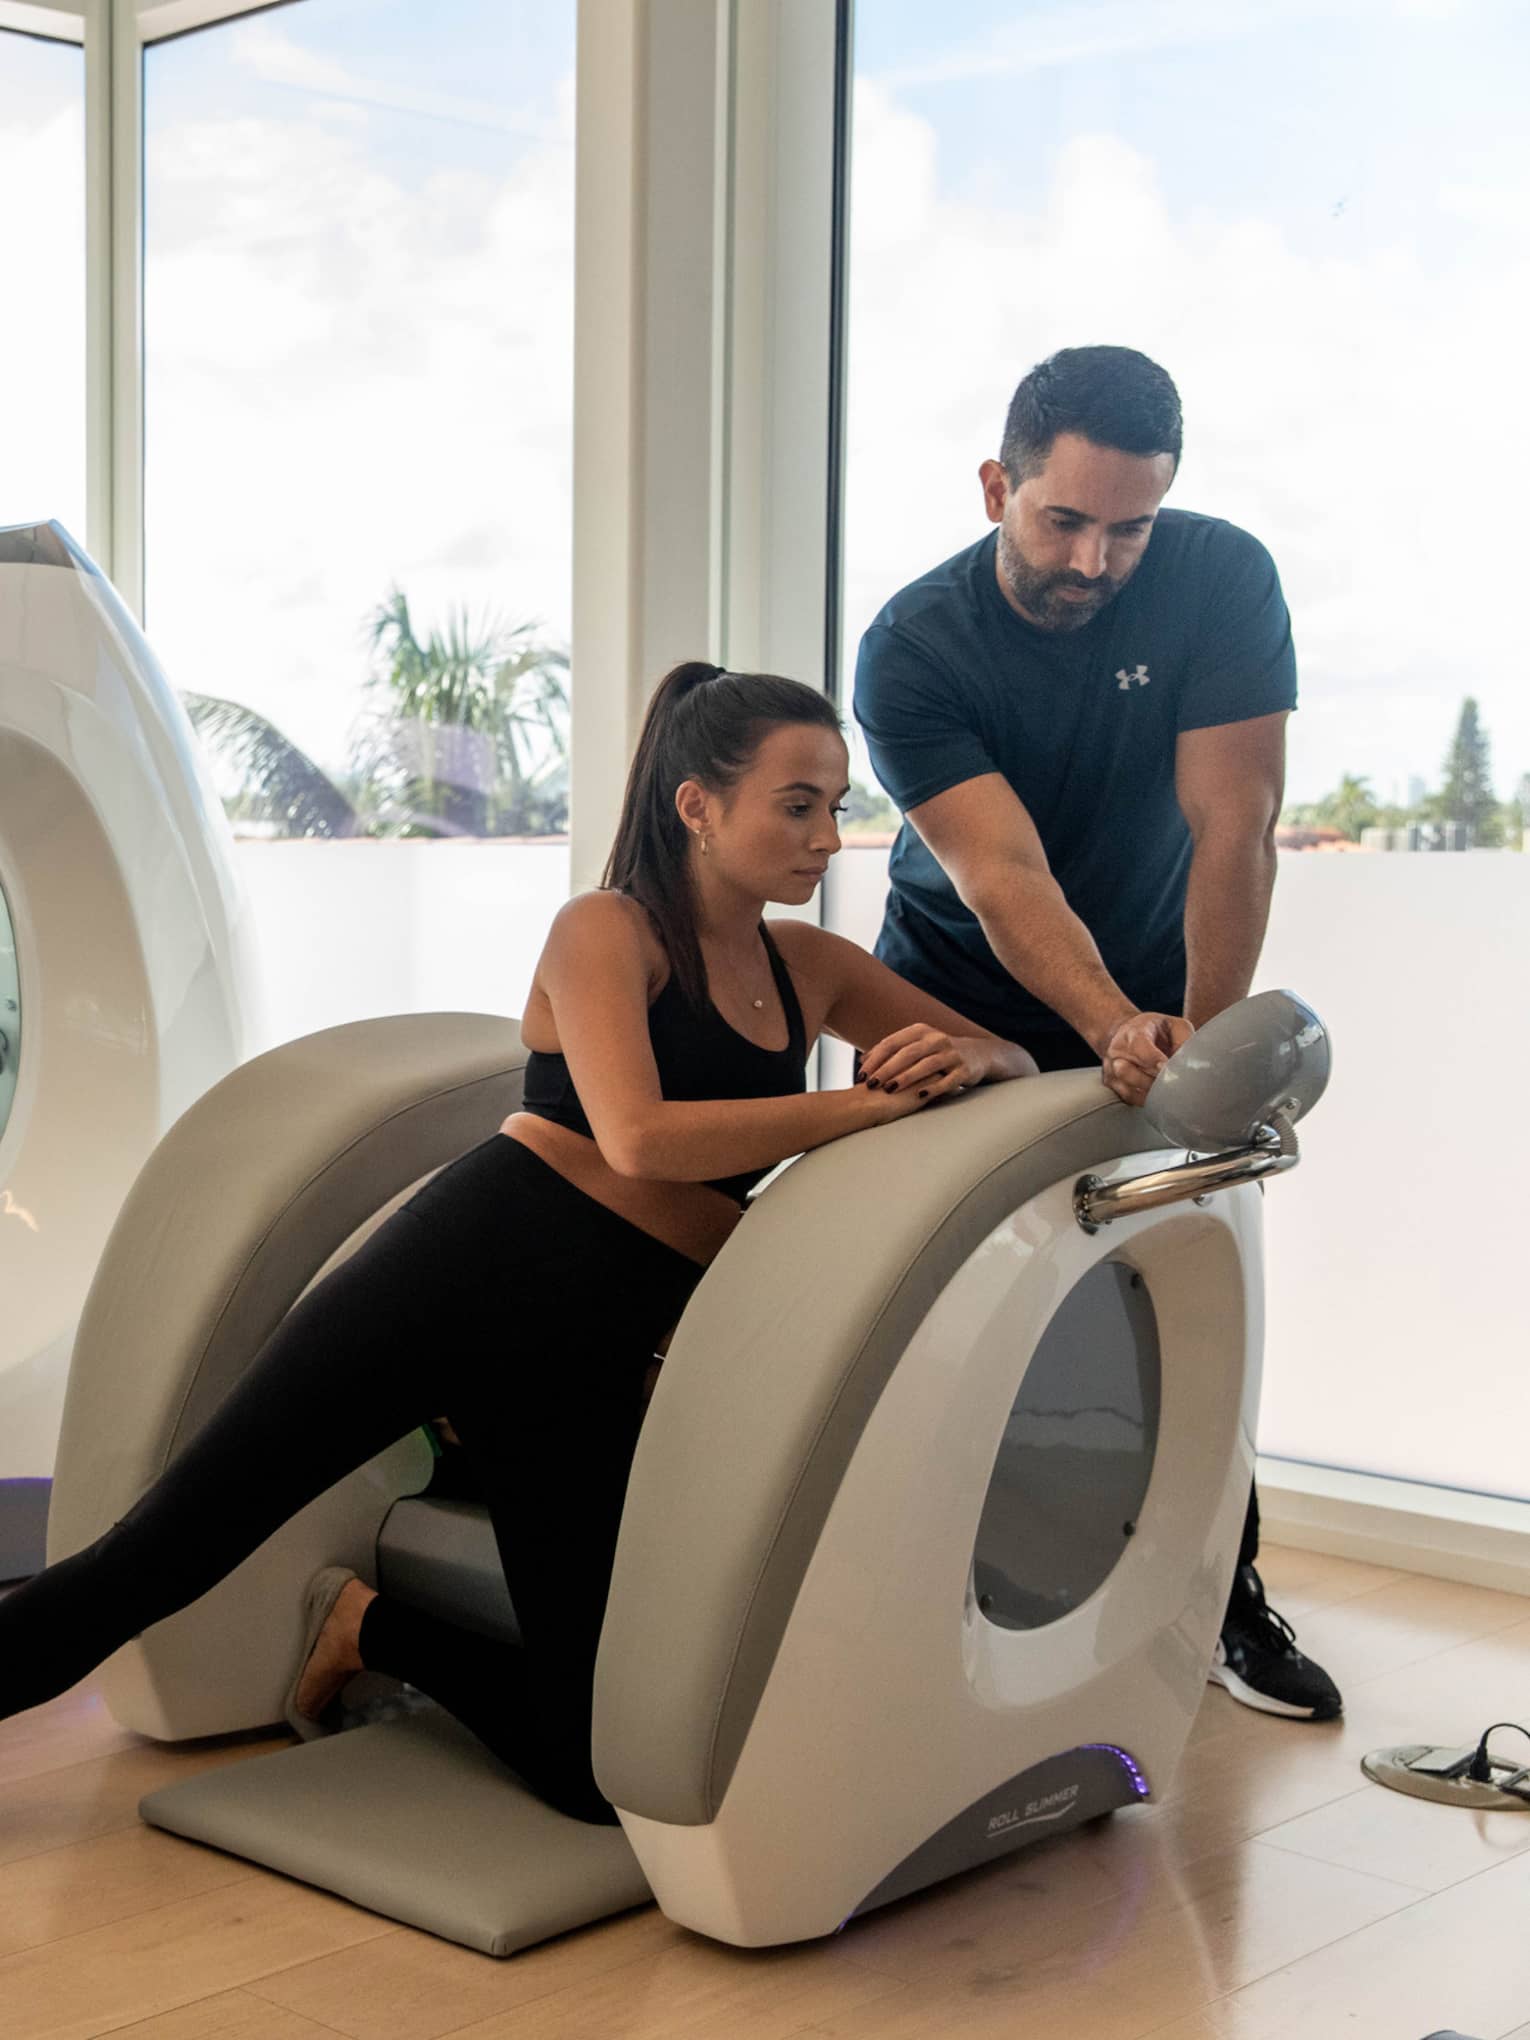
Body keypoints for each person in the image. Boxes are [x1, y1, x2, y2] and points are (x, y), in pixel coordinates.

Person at [0, 661, 1035, 1825]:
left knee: (595, 1766)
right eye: (797, 805)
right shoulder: (606, 932)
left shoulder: (810, 968)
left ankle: (365, 1629)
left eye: (837, 806)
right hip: (457, 1277)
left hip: (578, 1350)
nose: (826, 840)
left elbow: (1011, 1058)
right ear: (698, 805)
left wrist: (969, 1060)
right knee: (158, 1558)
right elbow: (638, 1140)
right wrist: (857, 1107)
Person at [853, 344, 1341, 1722]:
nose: (1093, 559)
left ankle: (1218, 1598)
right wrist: (1105, 1023)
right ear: (996, 484)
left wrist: (1198, 1046)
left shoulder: (1219, 578)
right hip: (954, 996)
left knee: (1182, 1291)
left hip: (1154, 983)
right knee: (954, 1319)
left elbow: (1229, 823)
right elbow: (1001, 881)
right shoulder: (912, 646)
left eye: (1127, 527)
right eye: (1061, 520)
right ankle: (923, 1611)